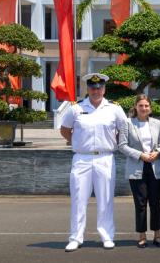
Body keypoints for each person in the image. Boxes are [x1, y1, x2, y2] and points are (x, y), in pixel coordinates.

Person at [59, 73, 128, 252]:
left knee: (105, 198)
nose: (96, 91)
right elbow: (65, 129)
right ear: (87, 89)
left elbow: (123, 130)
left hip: (105, 157)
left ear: (104, 89)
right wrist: (76, 142)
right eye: (92, 88)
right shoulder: (76, 108)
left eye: (99, 88)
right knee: (78, 198)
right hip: (82, 158)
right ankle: (75, 237)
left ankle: (106, 236)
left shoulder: (114, 108)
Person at [118, 94, 160, 248]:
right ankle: (142, 235)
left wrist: (157, 151)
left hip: (154, 166)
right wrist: (140, 155)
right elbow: (122, 145)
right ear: (136, 107)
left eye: (146, 105)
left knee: (155, 202)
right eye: (141, 106)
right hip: (137, 166)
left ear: (150, 108)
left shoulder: (156, 123)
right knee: (140, 203)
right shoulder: (127, 123)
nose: (144, 108)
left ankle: (157, 234)